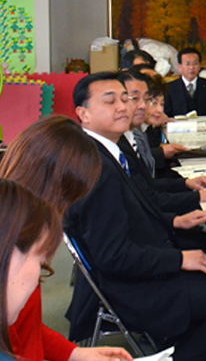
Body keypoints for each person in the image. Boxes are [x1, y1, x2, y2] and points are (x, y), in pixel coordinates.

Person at [65, 72, 206, 361]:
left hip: (141, 263)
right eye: (110, 101)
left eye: (125, 99)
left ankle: (183, 341)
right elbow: (114, 256)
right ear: (83, 114)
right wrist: (179, 259)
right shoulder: (95, 169)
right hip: (133, 287)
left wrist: (174, 221)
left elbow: (134, 216)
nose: (124, 107)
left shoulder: (105, 152)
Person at [0, 116, 132, 361]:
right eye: (68, 200)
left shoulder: (16, 239)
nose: (65, 212)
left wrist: (73, 352)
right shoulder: (17, 254)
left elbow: (27, 328)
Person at [118, 69, 206, 210]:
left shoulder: (136, 134)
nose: (143, 106)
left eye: (146, 100)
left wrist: (186, 183)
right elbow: (148, 198)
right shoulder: (120, 143)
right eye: (135, 98)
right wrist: (199, 197)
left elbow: (149, 185)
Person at [164, 48, 206, 117]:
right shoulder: (169, 88)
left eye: (195, 64)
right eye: (187, 64)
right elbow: (166, 114)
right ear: (180, 67)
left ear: (199, 66)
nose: (191, 67)